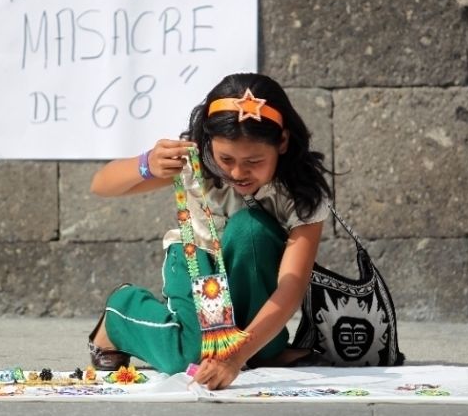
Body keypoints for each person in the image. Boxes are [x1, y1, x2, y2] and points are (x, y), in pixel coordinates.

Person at [88, 72, 333, 390]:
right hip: (197, 260)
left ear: (282, 142)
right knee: (189, 359)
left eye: (254, 161)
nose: (237, 172)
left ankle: (257, 347)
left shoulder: (303, 194)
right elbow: (101, 185)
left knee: (251, 229)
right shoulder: (194, 163)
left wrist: (234, 357)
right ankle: (121, 314)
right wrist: (146, 163)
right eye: (226, 158)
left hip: (254, 276)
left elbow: (291, 287)